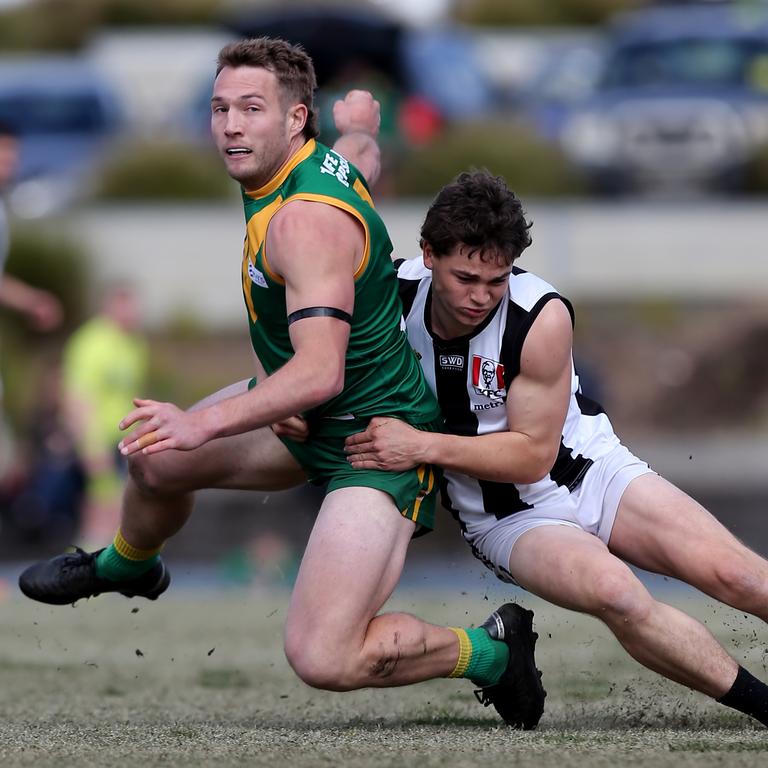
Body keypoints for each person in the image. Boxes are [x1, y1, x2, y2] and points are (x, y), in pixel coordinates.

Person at [18, 39, 545, 729]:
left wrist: (202, 421)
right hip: (309, 414)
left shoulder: (303, 221)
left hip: (375, 442)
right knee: (154, 456)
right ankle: (127, 566)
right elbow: (358, 160)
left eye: (250, 109)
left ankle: (492, 653)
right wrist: (361, 127)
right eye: (220, 108)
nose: (231, 125)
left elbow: (319, 371)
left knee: (323, 656)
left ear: (295, 119)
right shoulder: (305, 165)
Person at [341, 169, 768, 727]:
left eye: (495, 281)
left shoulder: (539, 315)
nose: (480, 297)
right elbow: (311, 335)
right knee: (617, 594)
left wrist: (419, 444)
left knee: (741, 577)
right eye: (465, 277)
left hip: (592, 471)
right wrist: (299, 413)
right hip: (505, 519)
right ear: (427, 254)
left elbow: (530, 456)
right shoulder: (386, 300)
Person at [61, 283, 148, 549]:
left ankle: (103, 569)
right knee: (102, 508)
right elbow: (77, 397)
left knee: (120, 509)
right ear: (109, 305)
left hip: (124, 440)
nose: (132, 312)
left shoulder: (133, 344)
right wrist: (90, 446)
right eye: (125, 305)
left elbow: (133, 395)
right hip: (97, 439)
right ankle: (79, 567)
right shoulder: (91, 343)